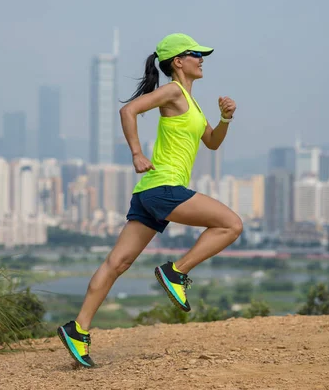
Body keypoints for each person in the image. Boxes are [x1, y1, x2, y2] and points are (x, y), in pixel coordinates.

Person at [57, 33, 242, 368]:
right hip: (164, 187)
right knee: (231, 224)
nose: (202, 59)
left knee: (117, 264)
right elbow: (128, 110)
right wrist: (137, 153)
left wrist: (225, 120)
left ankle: (78, 329)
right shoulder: (173, 91)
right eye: (195, 54)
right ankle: (176, 272)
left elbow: (212, 142)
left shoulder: (191, 102)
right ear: (177, 62)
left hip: (151, 191)